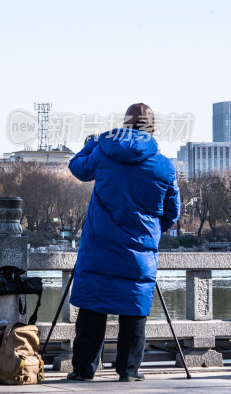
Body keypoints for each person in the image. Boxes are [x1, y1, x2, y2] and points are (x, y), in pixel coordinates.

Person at [67, 103, 180, 382]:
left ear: (125, 125)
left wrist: (90, 146)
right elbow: (172, 212)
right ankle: (128, 372)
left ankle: (83, 371)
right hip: (139, 252)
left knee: (93, 307)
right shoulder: (164, 166)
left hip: (98, 247)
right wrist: (151, 232)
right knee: (134, 308)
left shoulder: (104, 151)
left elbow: (78, 168)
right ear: (153, 129)